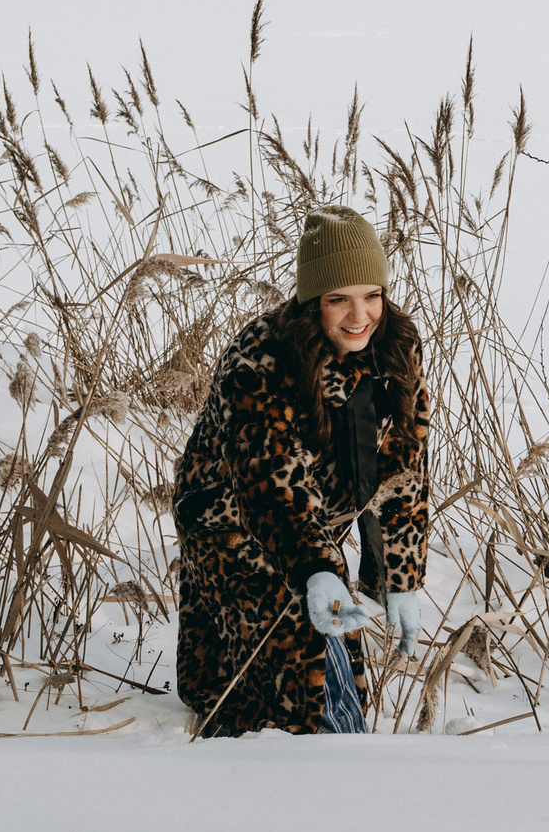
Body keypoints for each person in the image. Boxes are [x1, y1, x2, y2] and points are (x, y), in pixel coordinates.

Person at [173, 205, 430, 736]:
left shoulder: (398, 350)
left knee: (333, 663)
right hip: (234, 524)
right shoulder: (262, 357)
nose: (359, 316)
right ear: (313, 301)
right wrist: (316, 569)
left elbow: (405, 471)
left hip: (316, 529)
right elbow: (269, 482)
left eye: (371, 295)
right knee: (293, 680)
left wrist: (399, 578)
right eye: (339, 299)